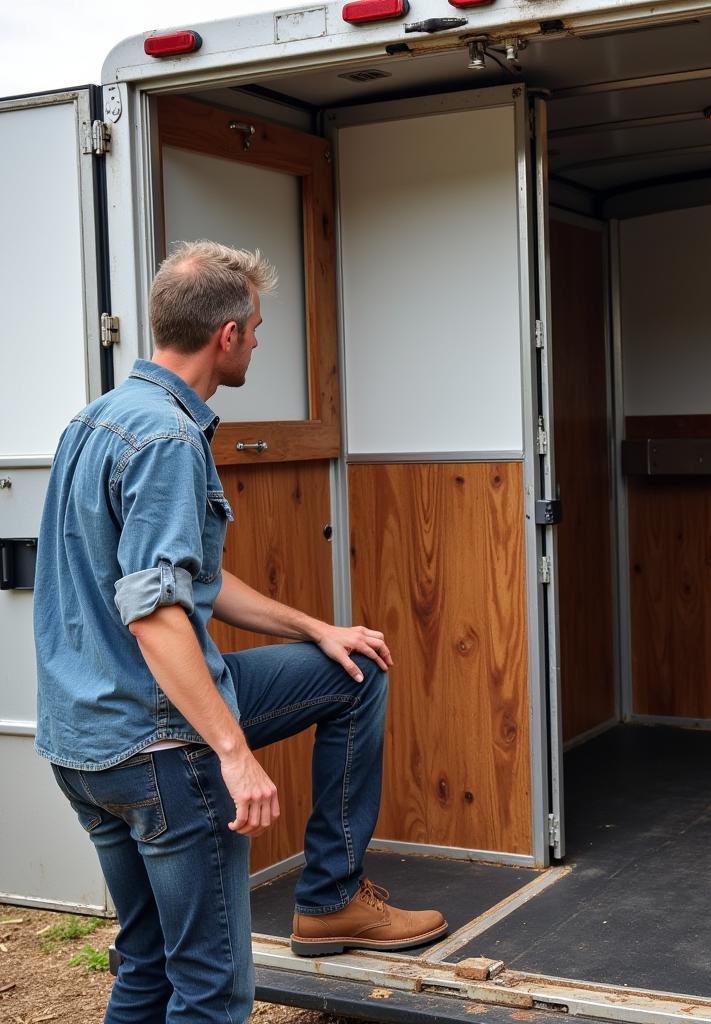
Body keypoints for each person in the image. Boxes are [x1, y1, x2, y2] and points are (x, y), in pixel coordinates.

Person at [33, 240, 447, 1023]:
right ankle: (329, 891)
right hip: (159, 746)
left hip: (82, 743)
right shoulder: (168, 443)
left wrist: (320, 628)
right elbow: (155, 614)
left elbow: (194, 582)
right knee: (213, 991)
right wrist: (233, 754)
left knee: (146, 966)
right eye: (255, 327)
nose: (258, 339)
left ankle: (330, 898)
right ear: (226, 336)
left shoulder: (97, 421)